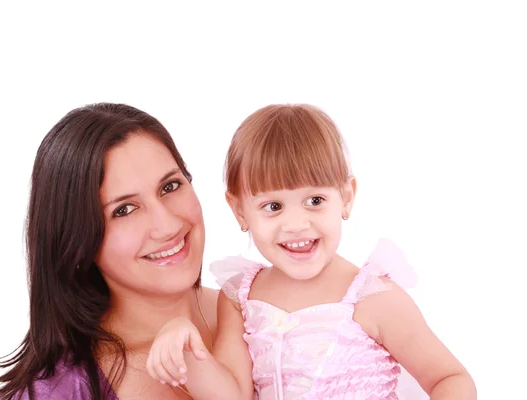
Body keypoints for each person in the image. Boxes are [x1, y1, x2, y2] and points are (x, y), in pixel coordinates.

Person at [146, 104, 477, 399]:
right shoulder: (240, 298)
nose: (295, 223)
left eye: (315, 201)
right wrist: (186, 346)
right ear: (240, 211)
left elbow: (450, 377)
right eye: (273, 206)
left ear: (346, 197)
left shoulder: (372, 297)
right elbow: (231, 394)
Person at [0, 103, 218, 399]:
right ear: (77, 240)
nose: (166, 226)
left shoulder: (261, 309)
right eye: (124, 210)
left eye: (170, 186)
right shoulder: (62, 390)